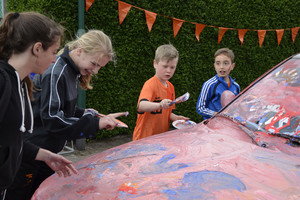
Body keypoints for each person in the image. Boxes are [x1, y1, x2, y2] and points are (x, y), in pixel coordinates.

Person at [5, 29, 128, 200]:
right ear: (79, 51)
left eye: (100, 67)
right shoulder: (57, 71)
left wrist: (92, 114)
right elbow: (52, 118)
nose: (96, 71)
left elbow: (65, 110)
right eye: (94, 64)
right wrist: (93, 125)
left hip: (48, 153)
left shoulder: (72, 71)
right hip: (32, 153)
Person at [0, 12, 78, 200]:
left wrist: (43, 154)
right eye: (53, 52)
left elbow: (9, 137)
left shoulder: (21, 82)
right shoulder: (2, 81)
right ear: (37, 48)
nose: (54, 59)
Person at [132, 44, 189, 141]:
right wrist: (159, 105)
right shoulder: (150, 84)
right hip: (143, 139)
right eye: (165, 66)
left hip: (160, 139)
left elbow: (167, 112)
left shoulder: (171, 87)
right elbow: (141, 105)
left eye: (172, 67)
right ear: (155, 64)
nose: (168, 70)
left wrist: (176, 118)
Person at [196, 48, 240, 120]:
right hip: (213, 126)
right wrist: (215, 114)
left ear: (232, 66)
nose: (221, 67)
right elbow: (200, 108)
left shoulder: (236, 86)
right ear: (214, 66)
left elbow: (236, 107)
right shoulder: (209, 84)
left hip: (229, 126)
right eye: (218, 63)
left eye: (226, 63)